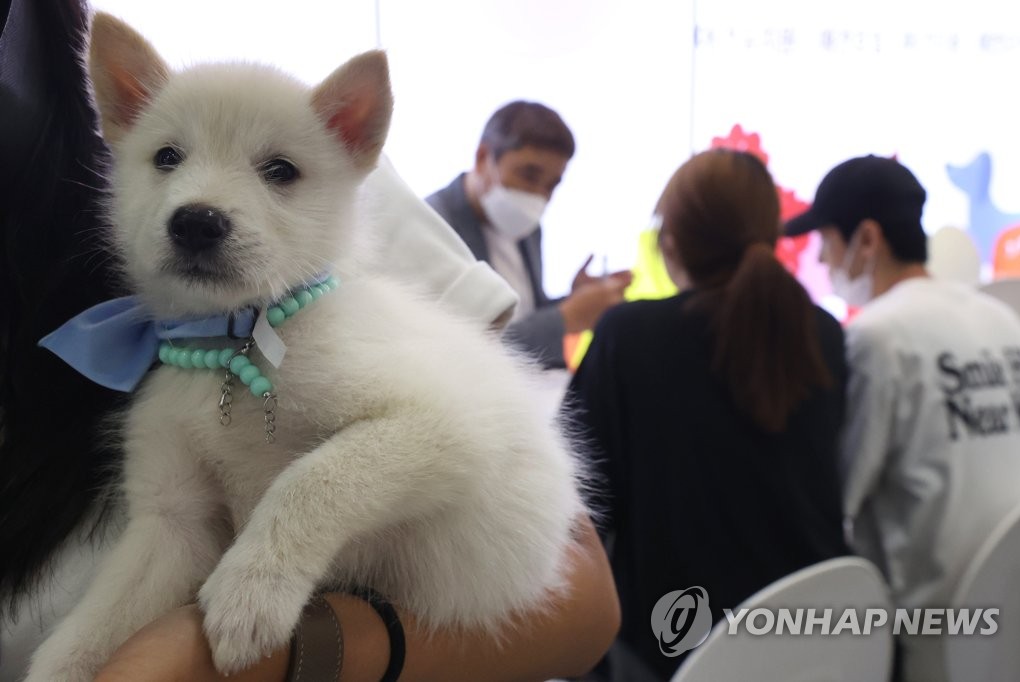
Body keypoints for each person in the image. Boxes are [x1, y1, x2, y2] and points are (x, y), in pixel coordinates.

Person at [0, 2, 619, 679]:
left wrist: (278, 552)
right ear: (119, 129)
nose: (201, 203)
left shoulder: (340, 325)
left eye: (279, 171)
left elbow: (444, 439)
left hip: (474, 585)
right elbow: (171, 533)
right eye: (169, 157)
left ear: (356, 143)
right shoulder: (171, 368)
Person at [565, 149, 849, 681]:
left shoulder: (628, 337)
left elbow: (574, 503)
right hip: (819, 640)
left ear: (672, 242)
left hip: (675, 644)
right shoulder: (823, 335)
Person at [784, 154, 1020, 682]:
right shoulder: (999, 317)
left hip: (931, 630)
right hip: (1010, 607)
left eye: (825, 241)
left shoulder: (878, 335)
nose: (821, 261)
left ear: (866, 240)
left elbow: (845, 492)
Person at [426, 100, 632, 369]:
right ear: (482, 158)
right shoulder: (434, 224)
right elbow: (464, 348)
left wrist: (574, 299)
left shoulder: (528, 227)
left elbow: (523, 311)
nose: (539, 195)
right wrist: (566, 318)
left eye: (552, 185)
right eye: (529, 175)